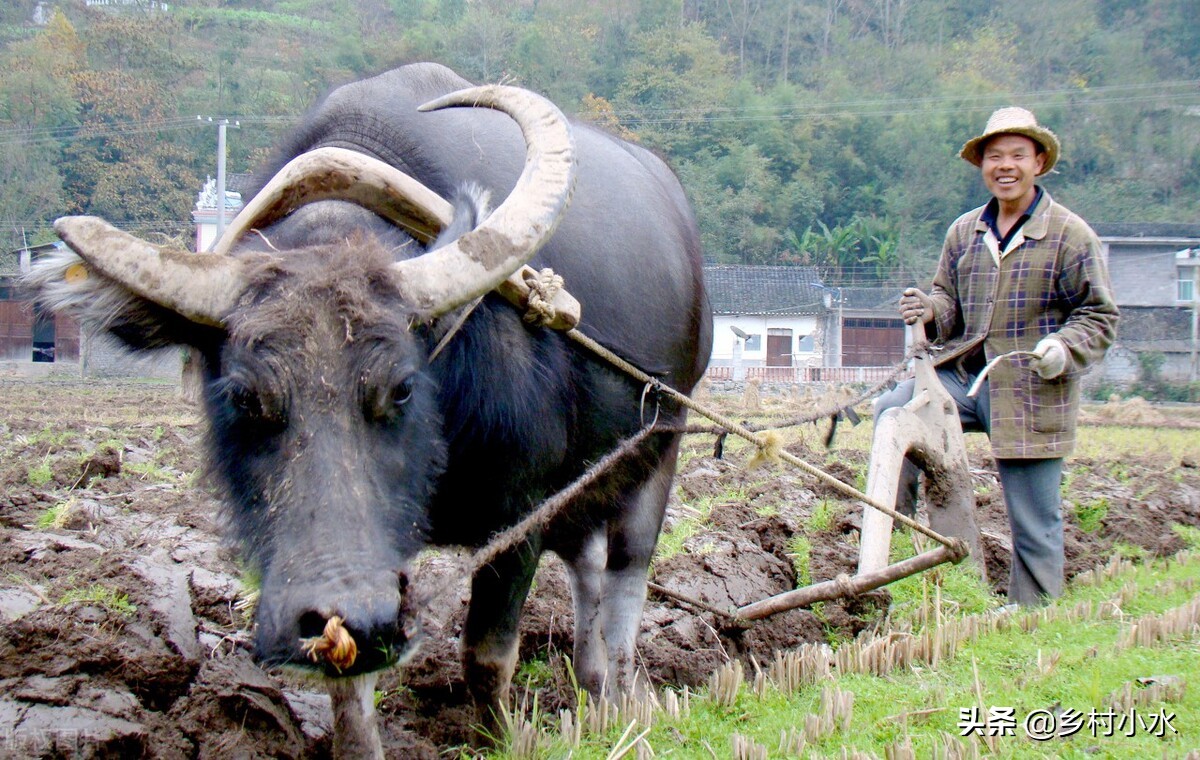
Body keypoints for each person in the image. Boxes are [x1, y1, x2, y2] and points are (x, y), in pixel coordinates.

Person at [875, 106, 1118, 606]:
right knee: (893, 412)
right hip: (963, 381)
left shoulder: (1071, 236)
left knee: (1034, 518)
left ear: (1039, 163)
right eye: (994, 156)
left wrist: (1062, 348)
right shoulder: (965, 232)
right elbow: (948, 300)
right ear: (982, 165)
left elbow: (1098, 315)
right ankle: (893, 539)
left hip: (1031, 389)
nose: (1005, 166)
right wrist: (928, 308)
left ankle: (1032, 613)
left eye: (1017, 156)